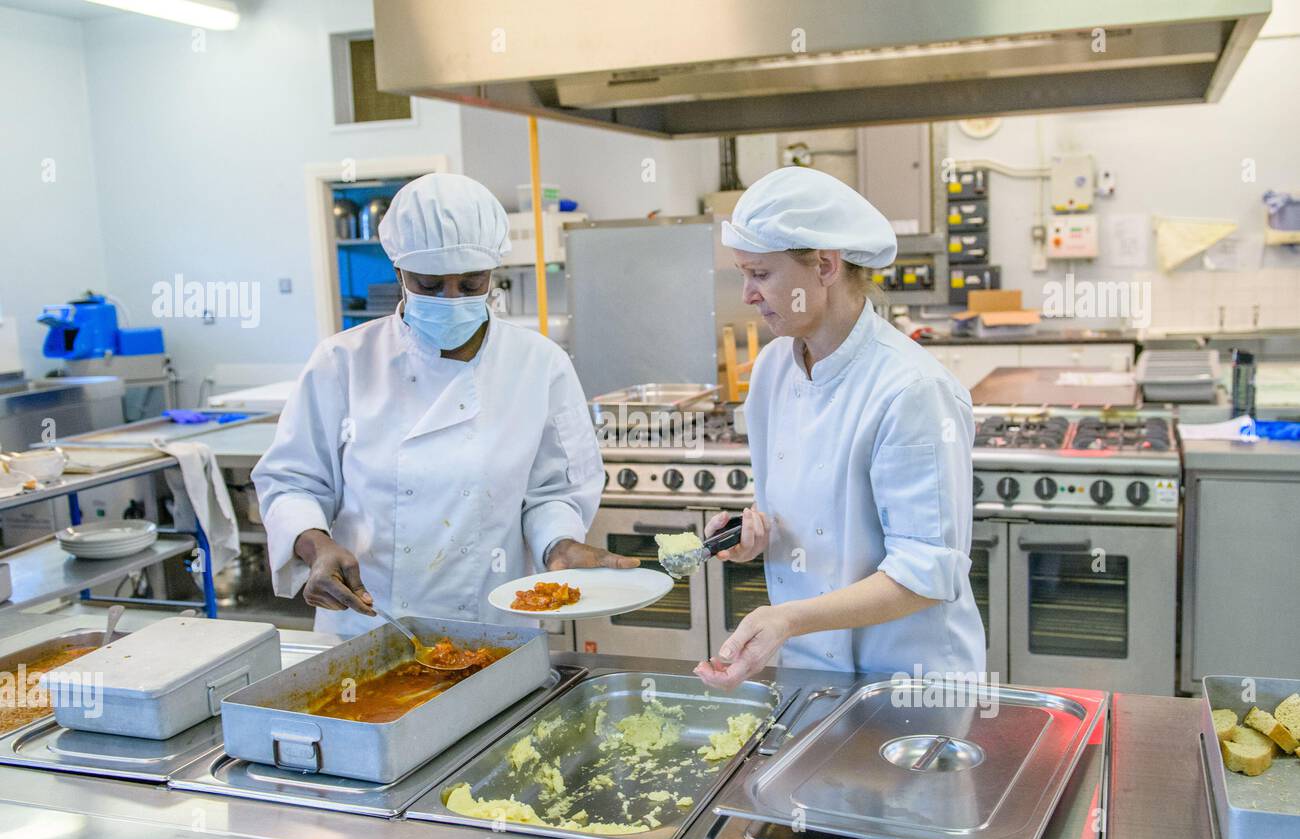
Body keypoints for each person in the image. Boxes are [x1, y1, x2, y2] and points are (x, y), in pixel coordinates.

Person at [252, 173, 635, 636]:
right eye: (430, 285)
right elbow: (293, 482)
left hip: (491, 625)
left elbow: (553, 492)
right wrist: (314, 545)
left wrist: (559, 545)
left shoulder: (539, 364)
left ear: (493, 275)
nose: (451, 299)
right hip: (368, 622)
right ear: (398, 273)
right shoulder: (343, 362)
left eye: (470, 284)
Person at [694, 166, 985, 690]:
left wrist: (790, 618)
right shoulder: (773, 369)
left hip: (909, 683)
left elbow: (926, 574)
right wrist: (752, 535)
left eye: (760, 274)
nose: (747, 295)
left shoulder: (911, 389)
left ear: (825, 266)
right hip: (811, 674)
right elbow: (800, 511)